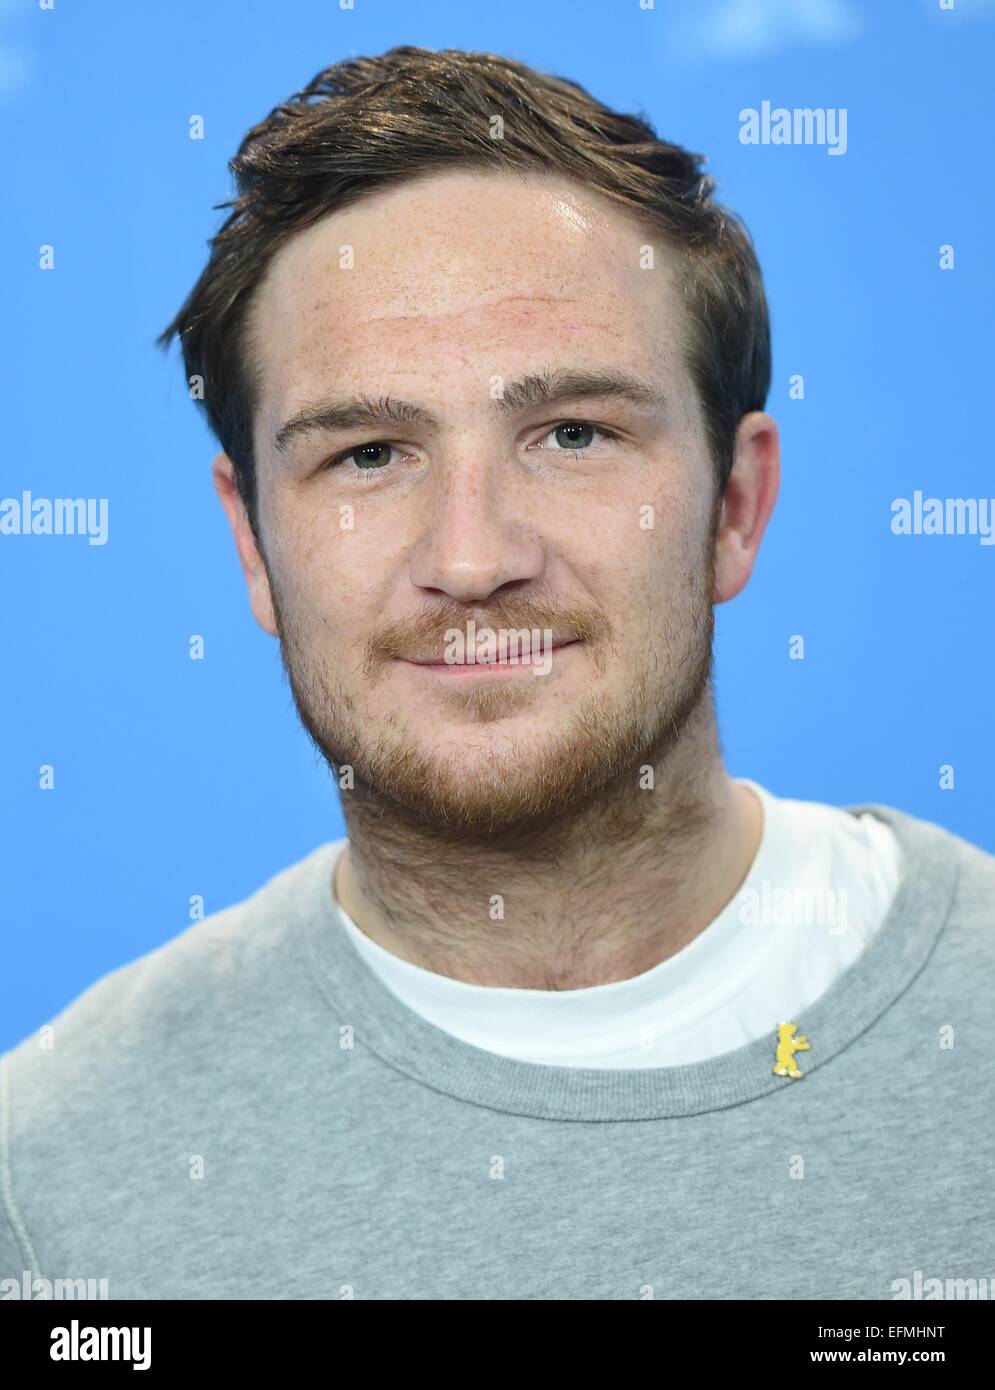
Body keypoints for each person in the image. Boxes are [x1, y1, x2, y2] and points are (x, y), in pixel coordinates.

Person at [2, 47, 992, 1302]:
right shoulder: (44, 1181)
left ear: (736, 505)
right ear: (252, 543)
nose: (471, 559)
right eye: (367, 453)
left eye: (571, 434)